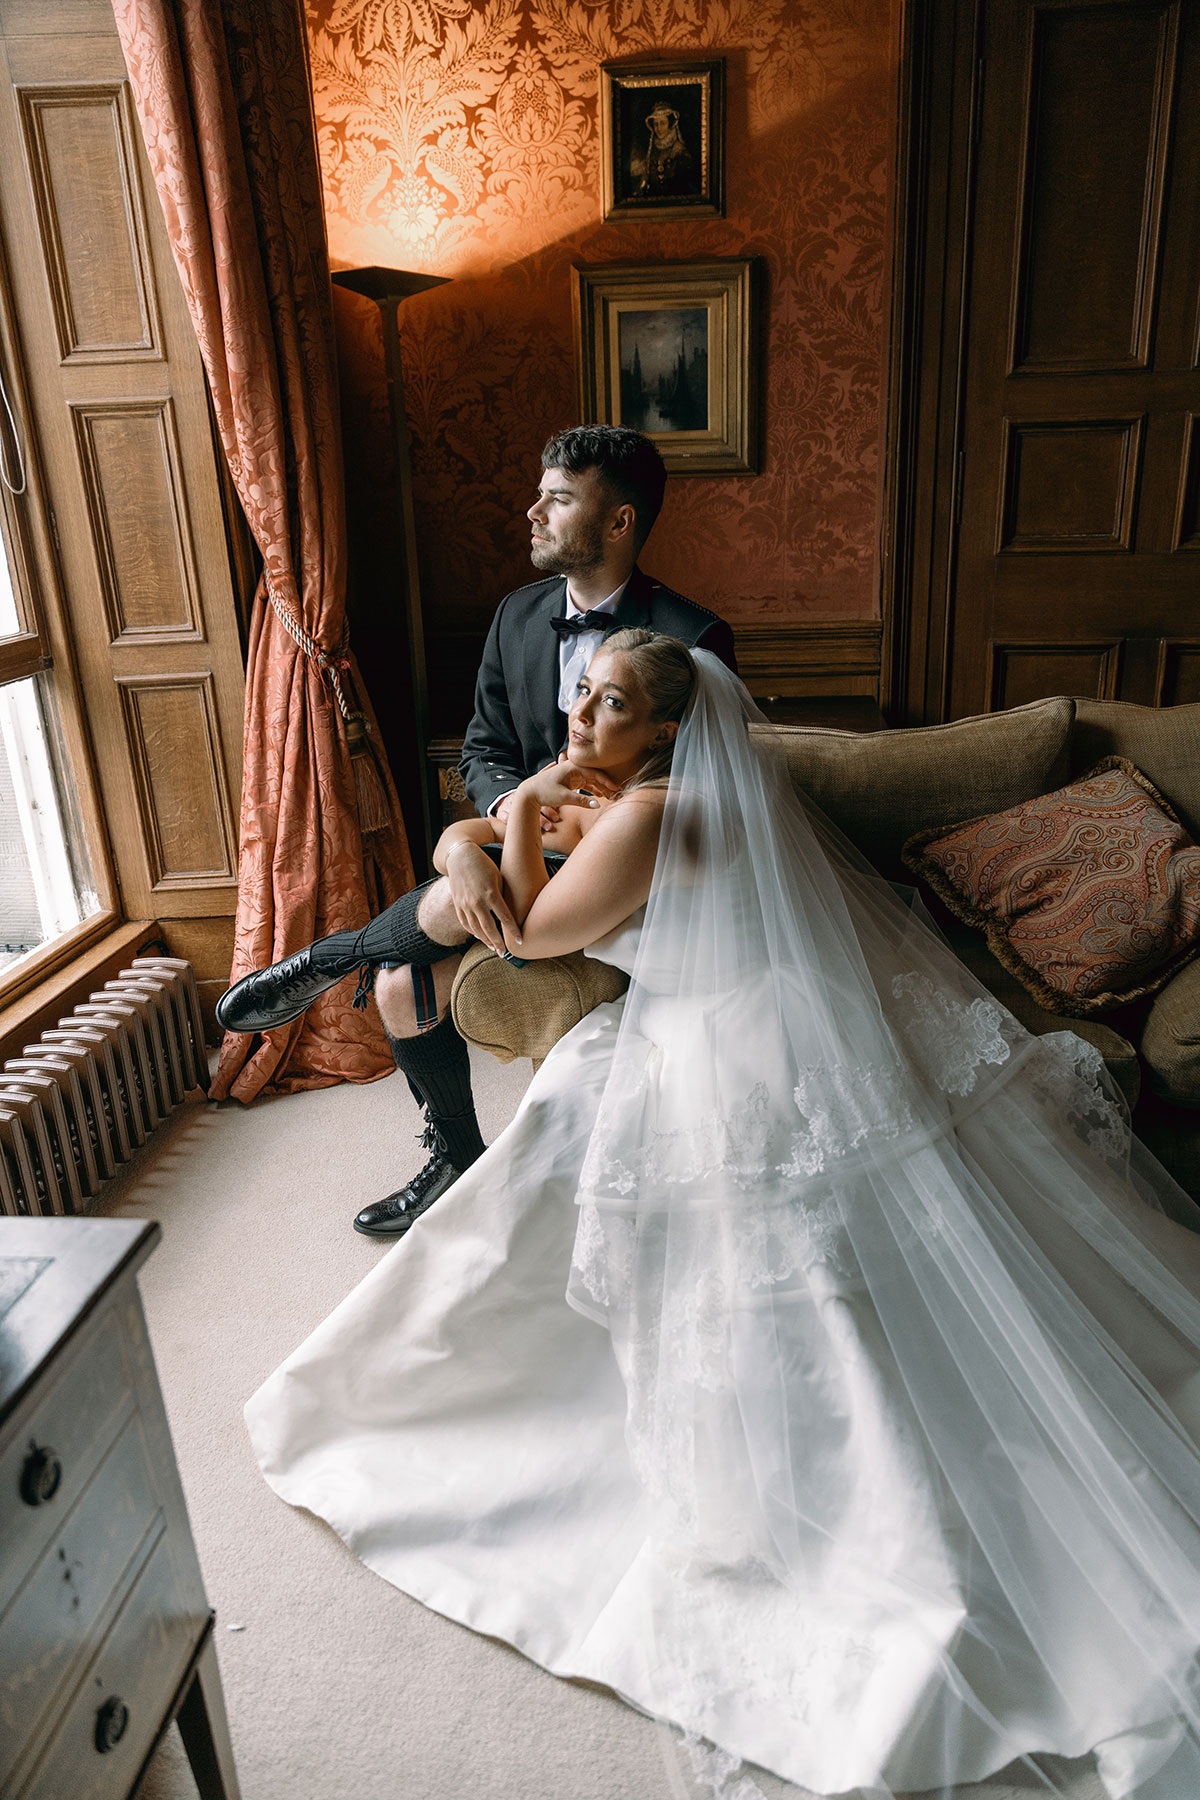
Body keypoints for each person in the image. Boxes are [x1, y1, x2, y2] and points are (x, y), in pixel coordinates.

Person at [248, 631, 1200, 1800]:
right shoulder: (669, 794)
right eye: (581, 698)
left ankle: (345, 977)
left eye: (609, 706)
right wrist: (473, 833)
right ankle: (346, 956)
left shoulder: (644, 816)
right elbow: (490, 868)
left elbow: (530, 933)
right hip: (772, 1014)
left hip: (712, 1041)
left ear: (666, 730)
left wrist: (532, 805)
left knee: (596, 1156)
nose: (582, 720)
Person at [216, 425, 735, 1238]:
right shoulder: (516, 616)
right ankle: (454, 1152)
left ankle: (328, 957)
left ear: (620, 521)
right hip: (518, 839)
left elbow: (692, 792)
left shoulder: (692, 637)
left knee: (393, 964)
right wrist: (479, 834)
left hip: (614, 864)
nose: (532, 511)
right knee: (398, 984)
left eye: (558, 498)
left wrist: (539, 825)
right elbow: (484, 749)